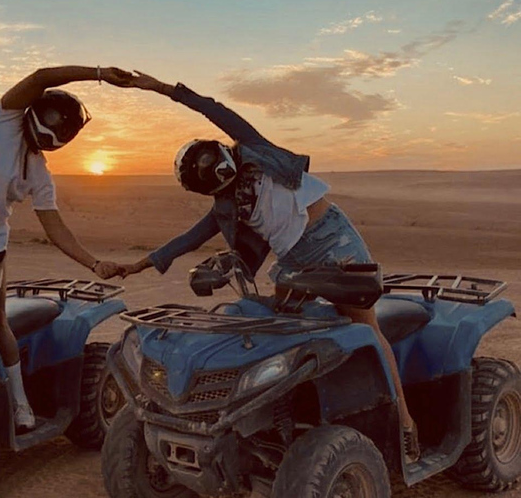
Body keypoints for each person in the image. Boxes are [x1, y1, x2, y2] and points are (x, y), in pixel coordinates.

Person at [120, 71, 420, 462]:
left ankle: (405, 422)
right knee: (277, 328)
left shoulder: (254, 148)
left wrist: (161, 88)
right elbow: (188, 239)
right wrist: (138, 264)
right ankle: (289, 417)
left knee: (366, 326)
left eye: (214, 160)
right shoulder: (225, 208)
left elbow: (214, 109)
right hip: (292, 260)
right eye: (205, 173)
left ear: (222, 151)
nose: (216, 170)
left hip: (333, 241)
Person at [0, 66, 132, 430]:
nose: (56, 133)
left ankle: (18, 403)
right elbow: (40, 76)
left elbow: (54, 227)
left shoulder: (39, 172)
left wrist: (93, 263)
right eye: (55, 122)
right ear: (39, 111)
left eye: (64, 131)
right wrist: (98, 73)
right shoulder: (3, 120)